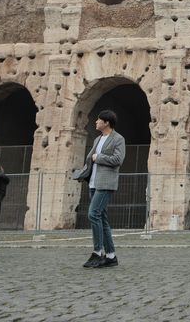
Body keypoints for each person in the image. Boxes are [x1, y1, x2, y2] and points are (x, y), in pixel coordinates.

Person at [82, 109, 126, 268]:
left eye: (99, 120)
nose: (96, 122)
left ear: (106, 122)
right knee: (102, 219)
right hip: (93, 182)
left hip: (106, 183)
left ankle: (97, 252)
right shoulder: (98, 139)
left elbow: (118, 159)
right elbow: (91, 159)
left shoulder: (118, 139)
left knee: (93, 214)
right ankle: (111, 256)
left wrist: (98, 157)